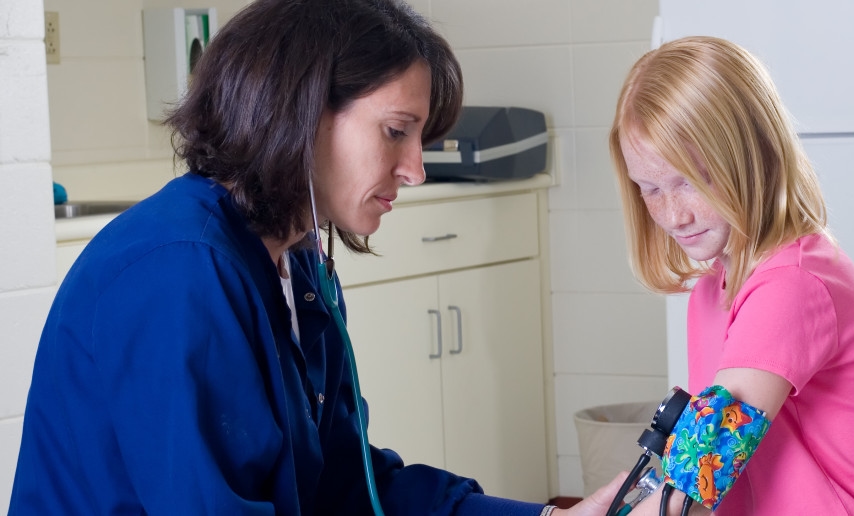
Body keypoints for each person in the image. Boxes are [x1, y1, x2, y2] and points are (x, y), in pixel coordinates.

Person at [9, 0, 628, 514]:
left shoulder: (295, 264)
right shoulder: (178, 273)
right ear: (299, 112)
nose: (415, 170)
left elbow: (344, 482)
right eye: (395, 132)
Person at [608, 36, 854, 515]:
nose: (672, 216)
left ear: (754, 156)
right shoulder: (713, 291)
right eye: (649, 189)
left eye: (690, 181)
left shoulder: (791, 285)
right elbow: (698, 469)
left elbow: (697, 476)